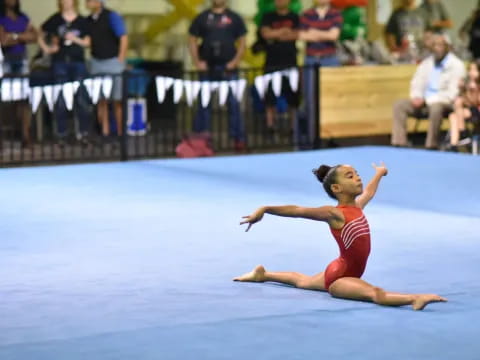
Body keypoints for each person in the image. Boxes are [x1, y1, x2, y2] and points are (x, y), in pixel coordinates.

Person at [234, 162, 447, 311]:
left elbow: (369, 193)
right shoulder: (335, 214)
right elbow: (298, 210)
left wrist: (379, 173)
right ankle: (414, 299)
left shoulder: (357, 206)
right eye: (350, 176)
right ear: (337, 188)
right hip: (340, 278)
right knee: (375, 294)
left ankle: (264, 274)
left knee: (303, 281)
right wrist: (265, 208)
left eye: (356, 173)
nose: (358, 177)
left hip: (340, 266)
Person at [188, 0, 247, 152]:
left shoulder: (235, 18)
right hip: (207, 68)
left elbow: (242, 41)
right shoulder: (202, 17)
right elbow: (192, 39)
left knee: (233, 104)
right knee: (204, 105)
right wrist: (197, 62)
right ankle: (202, 139)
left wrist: (235, 62)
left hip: (229, 68)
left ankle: (238, 139)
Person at [391, 33, 465, 149]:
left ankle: (431, 145)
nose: (437, 48)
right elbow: (417, 82)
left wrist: (429, 99)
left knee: (436, 108)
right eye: (435, 45)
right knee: (399, 105)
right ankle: (399, 143)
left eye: (440, 45)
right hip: (424, 102)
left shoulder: (457, 65)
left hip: (444, 103)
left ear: (447, 47)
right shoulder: (427, 63)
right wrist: (417, 96)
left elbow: (453, 92)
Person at [39, 0, 91, 145]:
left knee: (81, 98)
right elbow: (40, 32)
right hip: (60, 62)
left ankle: (83, 132)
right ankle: (61, 133)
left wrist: (74, 39)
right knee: (60, 99)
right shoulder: (56, 19)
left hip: (78, 61)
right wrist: (47, 48)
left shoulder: (82, 21)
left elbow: (88, 42)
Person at [298, 0, 342, 145]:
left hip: (330, 60)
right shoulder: (307, 14)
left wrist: (314, 32)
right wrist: (325, 33)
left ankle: (331, 138)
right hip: (311, 60)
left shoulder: (335, 14)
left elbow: (334, 36)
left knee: (332, 100)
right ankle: (312, 139)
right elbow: (302, 36)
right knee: (310, 100)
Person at [85, 0, 128, 138]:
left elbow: (123, 37)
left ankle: (121, 132)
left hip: (112, 61)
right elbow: (87, 41)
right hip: (96, 62)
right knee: (101, 100)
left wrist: (120, 58)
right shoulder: (88, 20)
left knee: (117, 100)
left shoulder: (112, 16)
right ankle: (105, 131)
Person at [260, 0, 300, 139]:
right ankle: (271, 127)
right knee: (270, 98)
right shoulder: (268, 17)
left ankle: (293, 128)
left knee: (293, 98)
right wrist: (284, 32)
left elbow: (296, 34)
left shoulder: (295, 16)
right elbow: (266, 34)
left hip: (290, 63)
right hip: (271, 63)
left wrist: (275, 34)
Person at [0, 0, 37, 147]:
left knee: (23, 100)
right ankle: (2, 139)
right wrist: (22, 36)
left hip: (22, 60)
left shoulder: (23, 17)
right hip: (5, 60)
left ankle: (25, 136)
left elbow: (34, 36)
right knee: (3, 100)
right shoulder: (1, 18)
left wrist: (14, 36)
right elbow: (3, 41)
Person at [447, 61, 480, 150]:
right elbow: (465, 103)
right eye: (470, 70)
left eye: (475, 70)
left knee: (458, 104)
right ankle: (454, 144)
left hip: (477, 111)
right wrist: (462, 90)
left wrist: (472, 92)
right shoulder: (468, 83)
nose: (471, 72)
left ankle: (462, 133)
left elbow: (476, 103)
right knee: (453, 115)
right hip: (468, 111)